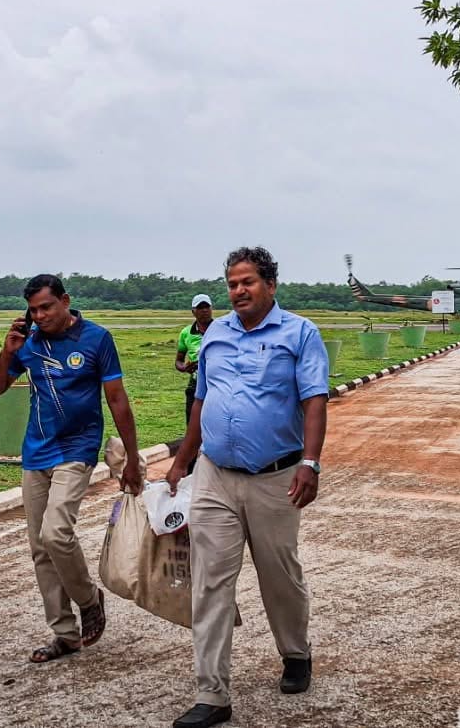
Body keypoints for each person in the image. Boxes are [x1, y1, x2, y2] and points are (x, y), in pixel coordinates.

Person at [165, 246, 329, 728]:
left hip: (275, 476)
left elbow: (315, 401)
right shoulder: (214, 333)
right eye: (232, 284)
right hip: (215, 474)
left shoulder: (300, 334)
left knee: (279, 575)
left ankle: (296, 653)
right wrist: (182, 461)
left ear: (270, 285)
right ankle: (211, 694)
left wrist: (310, 463)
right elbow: (201, 400)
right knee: (211, 579)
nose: (237, 291)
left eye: (247, 283)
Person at [0, 273, 144, 664]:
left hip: (77, 449)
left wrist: (133, 460)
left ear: (65, 301)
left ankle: (89, 600)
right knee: (39, 547)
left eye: (47, 307)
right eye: (33, 310)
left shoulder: (96, 339)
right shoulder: (29, 343)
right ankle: (65, 634)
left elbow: (117, 400)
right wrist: (8, 352)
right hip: (35, 452)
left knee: (56, 533)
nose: (40, 316)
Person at [175, 294, 215, 422]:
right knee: (193, 421)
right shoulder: (186, 333)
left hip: (217, 382)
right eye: (200, 307)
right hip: (196, 383)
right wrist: (184, 367)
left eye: (207, 307)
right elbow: (178, 360)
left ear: (211, 309)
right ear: (193, 312)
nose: (204, 310)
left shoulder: (222, 329)